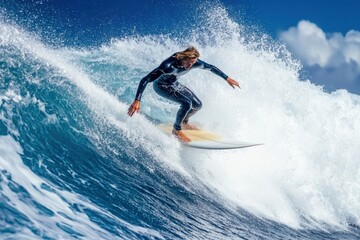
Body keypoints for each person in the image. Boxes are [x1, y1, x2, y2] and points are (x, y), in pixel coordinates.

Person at [128, 46, 240, 142]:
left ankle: (184, 123)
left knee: (197, 105)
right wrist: (137, 100)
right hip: (161, 86)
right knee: (186, 103)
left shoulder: (194, 62)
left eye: (193, 63)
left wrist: (227, 78)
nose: (190, 65)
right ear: (184, 58)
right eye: (189, 62)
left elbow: (210, 67)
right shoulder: (168, 66)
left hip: (174, 83)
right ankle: (176, 130)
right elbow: (145, 79)